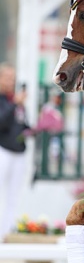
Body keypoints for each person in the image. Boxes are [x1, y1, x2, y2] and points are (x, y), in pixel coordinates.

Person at [0, 62, 29, 240]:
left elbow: (21, 123)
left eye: (13, 78)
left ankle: (8, 230)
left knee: (14, 193)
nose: (11, 82)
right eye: (7, 78)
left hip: (19, 151)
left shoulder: (15, 101)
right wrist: (14, 105)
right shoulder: (7, 101)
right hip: (3, 149)